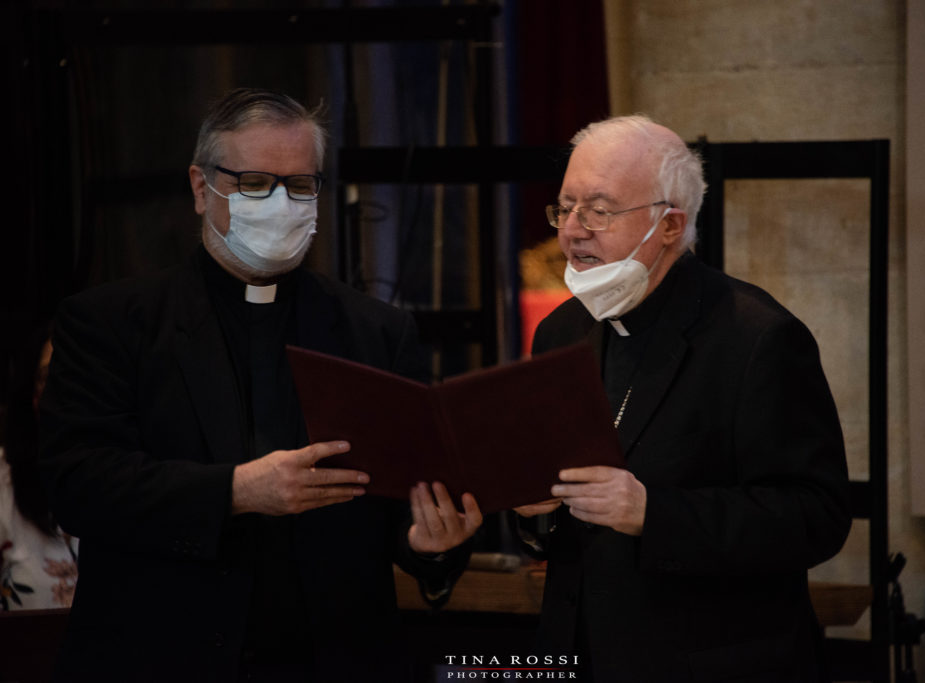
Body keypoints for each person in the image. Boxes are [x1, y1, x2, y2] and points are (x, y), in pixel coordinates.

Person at [38, 88, 482, 682]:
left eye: (300, 185)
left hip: (332, 661)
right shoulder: (111, 323)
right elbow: (77, 485)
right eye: (254, 183)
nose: (281, 202)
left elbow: (403, 499)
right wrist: (236, 490)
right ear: (202, 188)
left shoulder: (376, 331)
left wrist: (432, 544)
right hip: (159, 657)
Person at [515, 115, 852, 682]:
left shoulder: (757, 337)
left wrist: (652, 513)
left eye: (599, 210)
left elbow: (815, 516)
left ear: (669, 226)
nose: (572, 230)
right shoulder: (561, 331)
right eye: (565, 207)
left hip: (711, 662)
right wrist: (530, 510)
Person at [1, 323, 78, 610]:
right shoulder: (3, 485)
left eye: (78, 378)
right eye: (50, 377)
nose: (66, 393)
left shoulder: (124, 483)